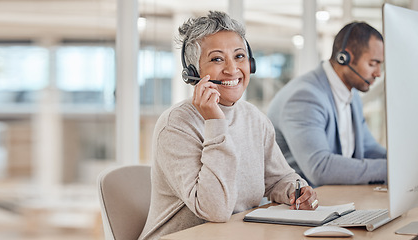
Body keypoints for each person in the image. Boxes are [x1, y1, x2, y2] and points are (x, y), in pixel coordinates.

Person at [138, 11, 318, 240]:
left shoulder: (255, 119)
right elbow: (215, 209)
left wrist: (296, 190)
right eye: (216, 59)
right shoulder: (175, 125)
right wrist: (215, 122)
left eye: (239, 56)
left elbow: (278, 179)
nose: (232, 69)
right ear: (193, 72)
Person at [267, 22, 386, 187]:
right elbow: (320, 168)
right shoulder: (305, 97)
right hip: (298, 205)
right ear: (345, 58)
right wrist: (388, 169)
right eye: (373, 64)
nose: (378, 73)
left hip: (332, 200)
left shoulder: (351, 95)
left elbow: (368, 148)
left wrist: (404, 163)